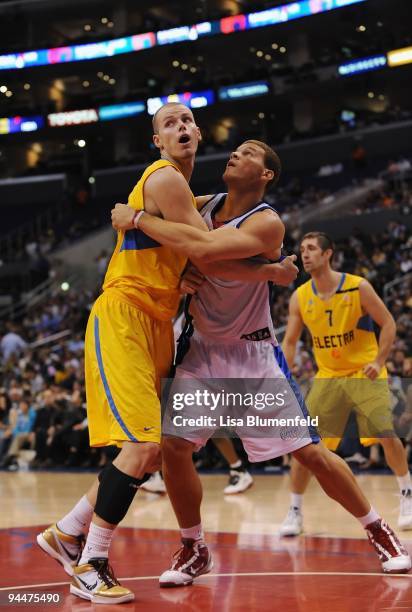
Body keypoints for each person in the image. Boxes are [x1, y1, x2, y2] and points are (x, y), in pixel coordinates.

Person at [111, 140, 411, 587]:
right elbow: (179, 245)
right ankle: (194, 547)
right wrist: (178, 271)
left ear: (266, 173)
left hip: (253, 354)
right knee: (173, 448)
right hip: (200, 349)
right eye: (235, 149)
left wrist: (138, 220)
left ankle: (378, 529)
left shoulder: (268, 222)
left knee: (311, 453)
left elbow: (209, 252)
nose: (235, 153)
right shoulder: (200, 204)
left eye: (249, 152)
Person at [37, 105, 292, 605]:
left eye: (187, 120)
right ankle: (90, 562)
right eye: (168, 123)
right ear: (156, 141)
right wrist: (266, 272)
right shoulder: (165, 179)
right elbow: (205, 246)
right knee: (143, 448)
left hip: (158, 319)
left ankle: (66, 533)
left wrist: (177, 274)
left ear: (200, 133)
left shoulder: (189, 194)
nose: (180, 126)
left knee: (148, 449)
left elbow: (192, 245)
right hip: (126, 314)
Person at [279, 232, 412, 537]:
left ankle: (406, 493)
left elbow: (389, 323)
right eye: (302, 250)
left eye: (311, 249)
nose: (305, 254)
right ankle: (295, 510)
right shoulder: (300, 296)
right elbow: (290, 341)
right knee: (305, 447)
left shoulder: (357, 286)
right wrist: (283, 378)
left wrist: (378, 361)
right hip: (328, 376)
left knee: (386, 434)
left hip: (364, 372)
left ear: (328, 254)